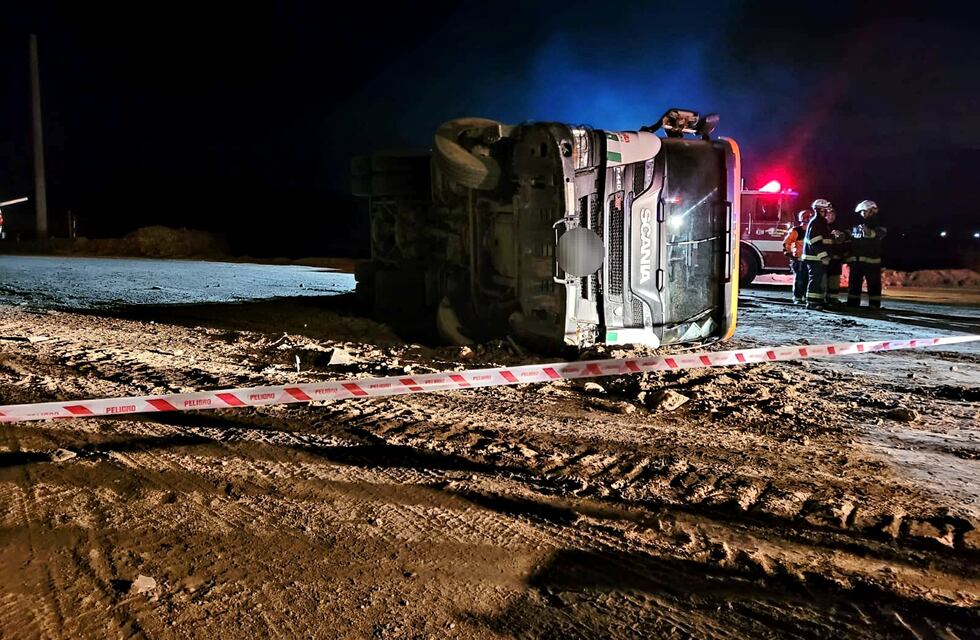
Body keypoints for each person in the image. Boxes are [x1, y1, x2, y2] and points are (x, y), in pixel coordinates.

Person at [847, 200, 886, 309]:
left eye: (864, 211)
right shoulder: (856, 223)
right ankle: (852, 304)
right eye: (861, 212)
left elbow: (879, 234)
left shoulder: (879, 223)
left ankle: (874, 305)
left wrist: (867, 231)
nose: (862, 214)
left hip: (872, 261)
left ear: (872, 211)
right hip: (856, 260)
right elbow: (850, 236)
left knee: (874, 284)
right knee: (854, 284)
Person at [802, 199, 835, 310]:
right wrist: (824, 256)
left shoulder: (821, 222)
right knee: (815, 279)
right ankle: (812, 302)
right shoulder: (817, 222)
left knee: (819, 279)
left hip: (817, 257)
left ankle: (819, 300)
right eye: (826, 209)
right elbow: (815, 242)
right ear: (821, 210)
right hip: (815, 257)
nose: (828, 212)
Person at [783, 209, 813, 303]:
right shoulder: (796, 231)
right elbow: (787, 242)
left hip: (810, 260)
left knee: (808, 279)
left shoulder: (813, 231)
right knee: (800, 279)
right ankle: (798, 297)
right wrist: (789, 253)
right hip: (799, 260)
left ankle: (805, 297)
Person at [825, 225, 851, 306]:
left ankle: (833, 299)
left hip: (836, 261)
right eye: (828, 214)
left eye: (832, 214)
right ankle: (823, 299)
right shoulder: (821, 227)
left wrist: (841, 236)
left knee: (834, 282)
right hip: (824, 260)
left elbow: (846, 243)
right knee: (823, 281)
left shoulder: (840, 227)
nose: (830, 216)